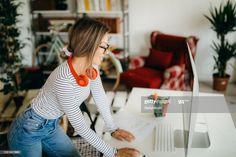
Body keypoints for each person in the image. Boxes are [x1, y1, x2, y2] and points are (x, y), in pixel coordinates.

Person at [7, 17, 142, 157]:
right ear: (89, 46)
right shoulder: (63, 78)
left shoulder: (91, 66)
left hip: (51, 125)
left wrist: (112, 128)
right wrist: (113, 153)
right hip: (28, 129)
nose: (107, 52)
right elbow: (80, 126)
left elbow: (100, 96)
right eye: (104, 46)